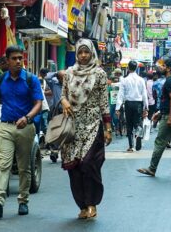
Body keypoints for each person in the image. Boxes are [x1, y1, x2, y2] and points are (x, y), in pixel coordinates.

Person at [0, 46, 43, 218]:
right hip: (5, 128)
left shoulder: (31, 80)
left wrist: (28, 117)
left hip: (26, 128)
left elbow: (38, 103)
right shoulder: (0, 80)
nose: (18, 61)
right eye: (14, 58)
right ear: (7, 61)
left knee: (24, 167)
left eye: (20, 58)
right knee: (4, 164)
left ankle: (23, 200)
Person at [59, 39, 112, 219]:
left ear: (92, 53)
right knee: (74, 167)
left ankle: (92, 204)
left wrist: (108, 128)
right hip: (72, 125)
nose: (83, 55)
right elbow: (63, 94)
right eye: (80, 52)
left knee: (88, 163)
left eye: (86, 52)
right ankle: (82, 205)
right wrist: (64, 101)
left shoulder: (100, 74)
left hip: (92, 123)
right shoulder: (69, 73)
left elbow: (104, 102)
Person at [137, 59, 171, 177]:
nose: (160, 68)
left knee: (160, 141)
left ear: (169, 68)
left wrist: (169, 116)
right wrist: (160, 112)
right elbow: (169, 100)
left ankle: (152, 168)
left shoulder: (170, 81)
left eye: (163, 66)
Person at [116, 61, 148, 152]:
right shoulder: (141, 80)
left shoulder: (124, 80)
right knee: (138, 123)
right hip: (138, 103)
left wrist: (118, 108)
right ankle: (138, 136)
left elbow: (120, 94)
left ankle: (131, 146)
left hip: (128, 104)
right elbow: (144, 94)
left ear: (128, 68)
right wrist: (146, 107)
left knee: (129, 124)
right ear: (137, 67)